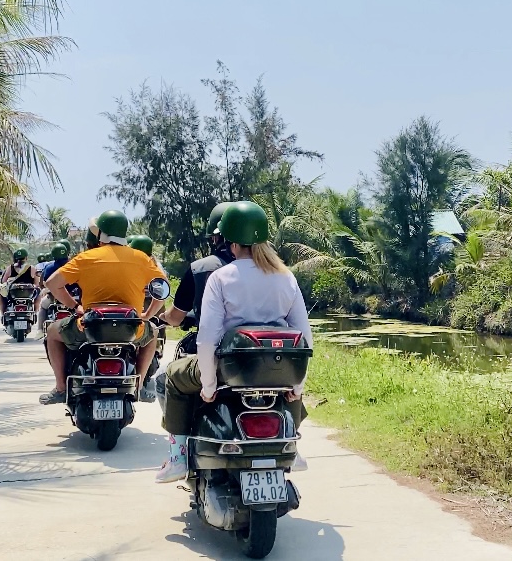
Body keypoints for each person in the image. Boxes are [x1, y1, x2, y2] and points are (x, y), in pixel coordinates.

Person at [155, 201, 312, 483]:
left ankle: (178, 457)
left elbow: (207, 339)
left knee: (174, 379)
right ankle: (293, 445)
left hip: (231, 369)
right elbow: (304, 336)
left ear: (228, 241)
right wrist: (297, 387)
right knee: (286, 387)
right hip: (279, 367)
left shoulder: (221, 277)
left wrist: (208, 387)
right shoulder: (285, 277)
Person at [40, 210, 167, 405]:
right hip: (131, 329)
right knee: (152, 334)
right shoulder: (142, 258)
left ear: (101, 233)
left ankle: (60, 388)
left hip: (90, 328)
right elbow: (162, 288)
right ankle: (139, 385)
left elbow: (52, 283)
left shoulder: (87, 258)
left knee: (51, 332)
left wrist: (75, 307)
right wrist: (147, 316)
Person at [161, 202, 235, 336]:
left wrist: (165, 316)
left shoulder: (200, 268)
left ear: (214, 238)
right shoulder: (273, 269)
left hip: (215, 345)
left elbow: (175, 318)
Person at [0, 248, 37, 314]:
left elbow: (3, 282)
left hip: (13, 294)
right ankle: (35, 311)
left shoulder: (10, 268)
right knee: (39, 292)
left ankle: (3, 312)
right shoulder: (31, 268)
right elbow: (36, 284)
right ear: (26, 258)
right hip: (28, 294)